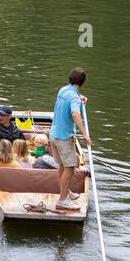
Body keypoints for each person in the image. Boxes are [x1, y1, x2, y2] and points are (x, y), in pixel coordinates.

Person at [50, 68, 91, 211]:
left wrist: (80, 98)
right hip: (64, 138)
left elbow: (72, 97)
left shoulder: (63, 90)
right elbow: (75, 114)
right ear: (83, 82)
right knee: (69, 167)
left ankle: (65, 193)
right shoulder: (74, 98)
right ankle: (62, 200)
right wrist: (85, 134)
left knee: (61, 165)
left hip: (53, 135)